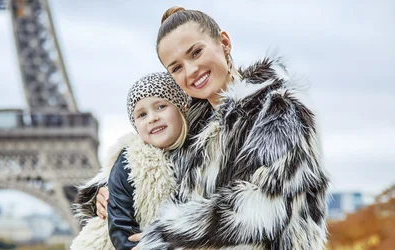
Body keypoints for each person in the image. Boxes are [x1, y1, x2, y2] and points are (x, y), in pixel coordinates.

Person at [96, 6, 330, 250]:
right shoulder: (187, 126)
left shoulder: (280, 108)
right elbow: (144, 167)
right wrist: (110, 195)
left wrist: (162, 238)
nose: (191, 71)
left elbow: (261, 207)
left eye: (196, 52)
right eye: (176, 68)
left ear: (224, 42)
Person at [70, 72, 191, 250]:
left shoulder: (201, 153)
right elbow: (119, 220)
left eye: (161, 106)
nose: (152, 118)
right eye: (142, 115)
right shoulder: (129, 161)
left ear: (182, 108)